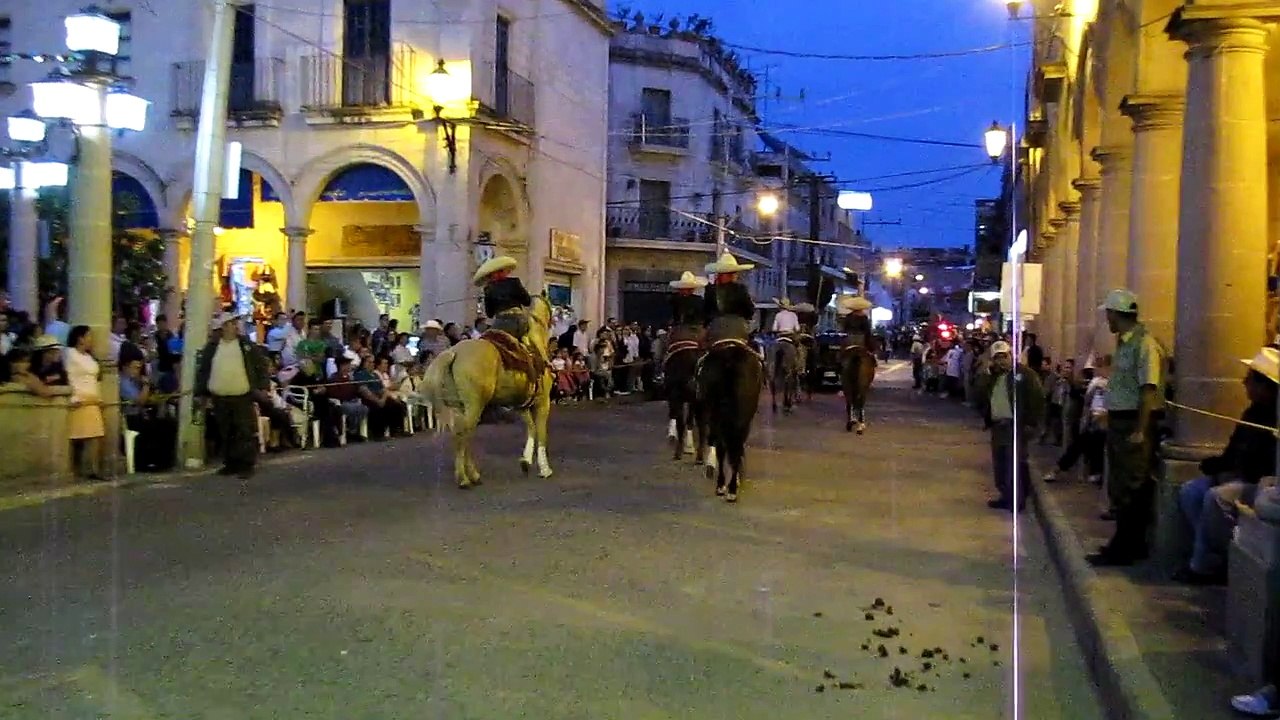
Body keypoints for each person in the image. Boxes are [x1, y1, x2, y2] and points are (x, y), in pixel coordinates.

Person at [1088, 288, 1167, 567]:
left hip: (1133, 421)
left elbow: (1148, 389)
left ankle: (1126, 547)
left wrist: (1140, 430)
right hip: (1121, 420)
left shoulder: (1144, 344)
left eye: (1108, 314)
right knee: (1120, 484)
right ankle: (1127, 543)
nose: (1107, 320)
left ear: (1116, 314)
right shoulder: (1126, 342)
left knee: (1131, 485)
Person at [195, 311, 270, 479]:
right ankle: (230, 462)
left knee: (243, 430)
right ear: (223, 327)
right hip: (220, 396)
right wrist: (200, 393)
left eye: (235, 323)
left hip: (242, 395)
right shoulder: (212, 347)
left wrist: (263, 386)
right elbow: (203, 371)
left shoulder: (245, 345)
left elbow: (260, 365)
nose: (235, 327)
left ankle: (246, 463)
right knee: (226, 430)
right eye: (231, 324)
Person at [976, 340, 1045, 511]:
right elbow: (979, 394)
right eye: (997, 358)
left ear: (1011, 356)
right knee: (1000, 464)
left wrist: (1031, 423)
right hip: (998, 426)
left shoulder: (1025, 374)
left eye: (1004, 356)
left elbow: (1037, 399)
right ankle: (1006, 496)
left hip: (1015, 426)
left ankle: (1018, 499)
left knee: (1014, 463)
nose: (1001, 361)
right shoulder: (993, 376)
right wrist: (986, 374)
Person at [473, 255, 545, 365]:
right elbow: (527, 301)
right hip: (520, 321)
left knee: (488, 341)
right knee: (530, 342)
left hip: (502, 323)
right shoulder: (514, 282)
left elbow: (490, 313)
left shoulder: (489, 289)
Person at [64, 325, 106, 480]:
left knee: (96, 435)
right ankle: (77, 470)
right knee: (78, 437)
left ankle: (93, 469)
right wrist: (73, 397)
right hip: (80, 399)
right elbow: (69, 375)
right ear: (80, 338)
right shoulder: (70, 353)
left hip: (93, 399)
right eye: (88, 336)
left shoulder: (89, 357)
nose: (91, 340)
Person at [702, 253, 756, 343]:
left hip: (716, 328)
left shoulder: (711, 290)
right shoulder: (741, 289)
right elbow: (750, 310)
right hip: (739, 328)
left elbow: (706, 312)